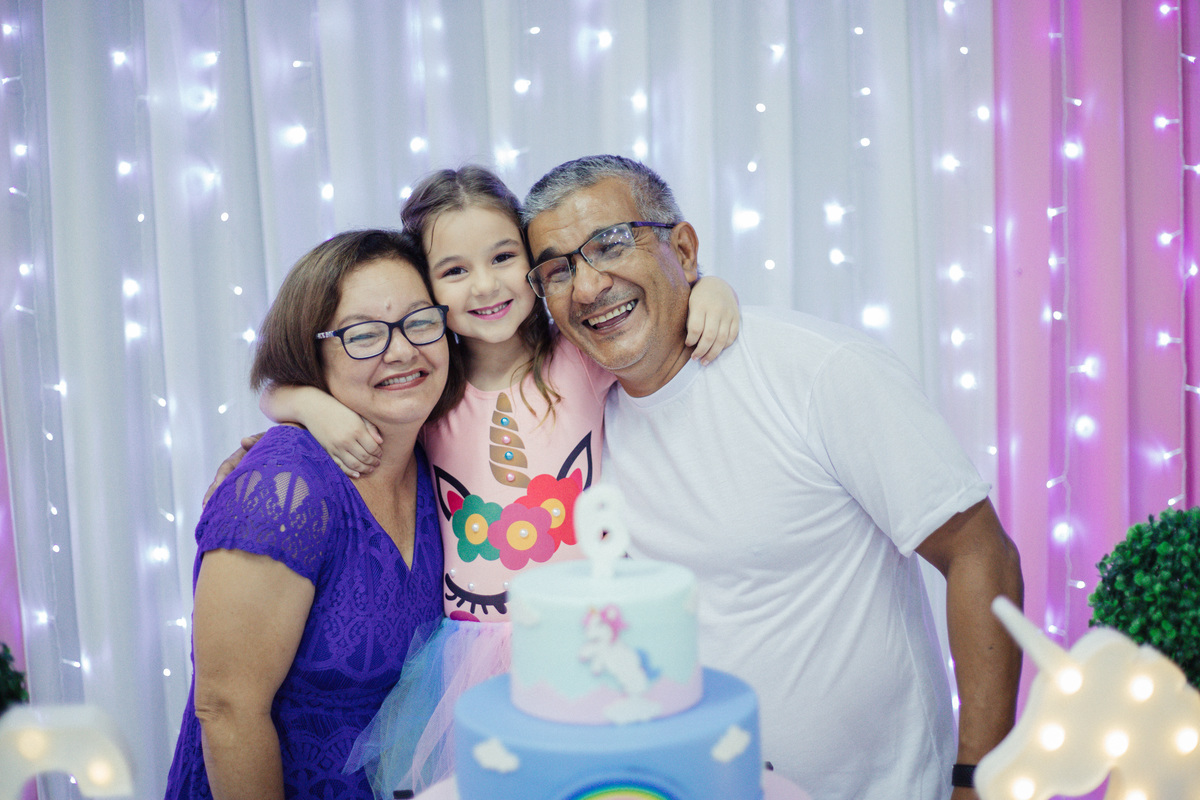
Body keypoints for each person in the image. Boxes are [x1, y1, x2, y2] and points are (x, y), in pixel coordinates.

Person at [519, 154, 1024, 800]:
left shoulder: (817, 371)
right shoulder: (577, 420)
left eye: (611, 244)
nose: (588, 287)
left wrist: (977, 779)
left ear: (683, 249)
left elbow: (980, 553)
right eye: (558, 271)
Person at [252, 165, 741, 797]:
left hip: (585, 630)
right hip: (470, 652)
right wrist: (307, 404)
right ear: (426, 288)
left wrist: (712, 288)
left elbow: (657, 318)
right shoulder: (427, 385)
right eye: (454, 270)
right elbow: (274, 389)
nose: (485, 285)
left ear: (532, 262)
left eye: (503, 257)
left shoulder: (578, 355)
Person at [165, 229, 448, 800]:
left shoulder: (438, 455)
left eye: (419, 322)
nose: (401, 351)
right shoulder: (286, 486)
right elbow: (226, 709)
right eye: (363, 334)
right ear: (310, 353)